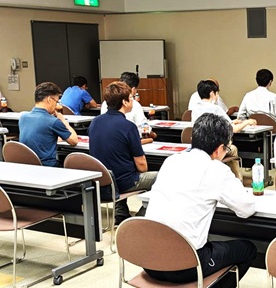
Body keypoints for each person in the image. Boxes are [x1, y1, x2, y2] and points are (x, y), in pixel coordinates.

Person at [144, 113, 256, 287]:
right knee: (248, 249)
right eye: (227, 148)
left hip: (148, 259)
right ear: (219, 149)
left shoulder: (171, 161)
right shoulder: (216, 169)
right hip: (184, 265)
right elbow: (246, 208)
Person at [89, 81, 157, 224]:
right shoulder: (128, 126)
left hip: (103, 180)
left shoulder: (95, 122)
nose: (133, 100)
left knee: (117, 167)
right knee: (162, 177)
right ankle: (142, 216)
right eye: (131, 98)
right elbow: (141, 165)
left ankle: (121, 212)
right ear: (125, 102)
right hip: (124, 181)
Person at [192, 79, 256, 179]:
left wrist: (233, 122)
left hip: (198, 146)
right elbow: (233, 129)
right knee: (233, 149)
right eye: (217, 93)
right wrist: (247, 122)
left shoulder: (195, 108)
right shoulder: (215, 108)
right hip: (213, 148)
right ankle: (237, 179)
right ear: (212, 93)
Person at [19, 82, 78, 166]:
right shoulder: (53, 121)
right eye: (56, 101)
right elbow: (74, 141)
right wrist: (63, 121)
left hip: (28, 166)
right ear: (49, 99)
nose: (56, 105)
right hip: (47, 167)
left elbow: (41, 137)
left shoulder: (23, 117)